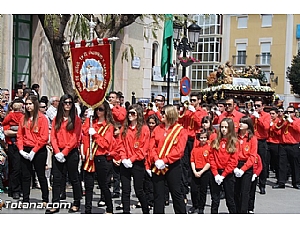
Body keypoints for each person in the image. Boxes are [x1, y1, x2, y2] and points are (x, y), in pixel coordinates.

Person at [45, 94, 82, 214]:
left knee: (74, 178)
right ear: (61, 104)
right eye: (65, 102)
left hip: (71, 152)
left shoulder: (76, 119)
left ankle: (76, 202)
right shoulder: (57, 118)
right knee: (56, 179)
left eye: (70, 102)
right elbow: (53, 136)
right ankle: (55, 203)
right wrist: (57, 151)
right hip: (58, 152)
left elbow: (75, 138)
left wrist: (65, 152)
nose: (67, 105)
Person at [149, 104, 188, 214]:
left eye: (163, 113)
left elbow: (179, 151)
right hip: (157, 165)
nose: (160, 115)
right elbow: (152, 146)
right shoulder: (157, 128)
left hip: (173, 166)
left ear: (170, 115)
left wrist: (165, 160)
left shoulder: (180, 131)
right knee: (158, 195)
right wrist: (156, 159)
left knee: (176, 194)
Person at [81, 101, 115, 214]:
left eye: (100, 109)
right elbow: (84, 130)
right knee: (88, 186)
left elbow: (105, 144)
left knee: (103, 185)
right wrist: (88, 118)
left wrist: (95, 134)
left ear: (106, 111)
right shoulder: (92, 122)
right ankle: (87, 210)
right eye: (96, 109)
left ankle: (110, 208)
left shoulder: (109, 126)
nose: (98, 111)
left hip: (101, 158)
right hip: (90, 157)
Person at [16, 95, 49, 206]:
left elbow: (44, 137)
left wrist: (34, 151)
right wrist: (21, 150)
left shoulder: (42, 118)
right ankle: (25, 199)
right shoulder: (23, 118)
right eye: (27, 104)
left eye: (30, 104)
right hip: (26, 148)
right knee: (25, 175)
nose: (28, 106)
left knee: (40, 175)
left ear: (35, 105)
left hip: (38, 150)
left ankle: (45, 199)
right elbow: (19, 135)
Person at [119, 104, 150, 214]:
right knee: (125, 190)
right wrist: (123, 158)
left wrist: (131, 160)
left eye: (133, 113)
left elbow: (143, 148)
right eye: (129, 113)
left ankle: (146, 211)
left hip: (137, 163)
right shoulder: (125, 127)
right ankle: (126, 212)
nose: (130, 115)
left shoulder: (144, 129)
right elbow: (120, 143)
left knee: (139, 190)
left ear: (138, 115)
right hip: (125, 162)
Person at [209, 118, 239, 214]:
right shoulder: (216, 140)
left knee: (230, 199)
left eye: (226, 127)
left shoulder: (234, 142)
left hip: (227, 174)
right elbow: (211, 158)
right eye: (222, 127)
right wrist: (215, 174)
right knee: (215, 199)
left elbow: (233, 161)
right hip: (216, 172)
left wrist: (223, 175)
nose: (223, 129)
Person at [234, 116, 257, 214]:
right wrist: (234, 167)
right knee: (236, 191)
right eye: (240, 122)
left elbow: (252, 156)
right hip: (235, 164)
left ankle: (244, 212)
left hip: (246, 166)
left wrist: (243, 169)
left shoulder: (252, 138)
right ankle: (236, 211)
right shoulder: (235, 136)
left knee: (245, 191)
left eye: (243, 123)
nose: (240, 124)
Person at [273, 105, 300, 189]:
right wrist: (281, 121)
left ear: (294, 113)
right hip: (283, 144)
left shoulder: (297, 121)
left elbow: (298, 130)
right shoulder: (283, 121)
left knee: (295, 165)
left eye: (290, 112)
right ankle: (281, 182)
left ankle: (296, 182)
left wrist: (291, 121)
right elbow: (276, 129)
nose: (288, 113)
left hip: (294, 144)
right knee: (282, 164)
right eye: (287, 112)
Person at [250, 98, 271, 194]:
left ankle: (262, 184)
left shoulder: (266, 115)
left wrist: (258, 117)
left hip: (261, 141)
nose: (256, 107)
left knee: (263, 163)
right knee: (251, 161)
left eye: (258, 106)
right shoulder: (252, 115)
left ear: (262, 106)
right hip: (252, 140)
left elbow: (266, 127)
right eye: (255, 105)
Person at [189, 128, 212, 214]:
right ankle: (195, 205)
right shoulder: (195, 149)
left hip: (205, 171)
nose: (203, 140)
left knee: (203, 190)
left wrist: (201, 171)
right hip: (195, 170)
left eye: (204, 138)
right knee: (194, 190)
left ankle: (201, 207)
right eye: (201, 138)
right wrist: (195, 171)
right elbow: (192, 160)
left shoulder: (209, 148)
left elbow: (209, 162)